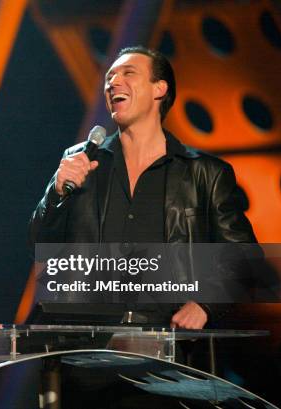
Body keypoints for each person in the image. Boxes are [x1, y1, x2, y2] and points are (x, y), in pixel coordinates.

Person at [29, 46, 257, 330]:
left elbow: (243, 256)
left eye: (128, 73)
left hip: (166, 346)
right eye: (109, 77)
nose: (113, 82)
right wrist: (57, 194)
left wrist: (205, 304)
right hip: (87, 343)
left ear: (159, 89)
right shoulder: (82, 161)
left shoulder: (204, 173)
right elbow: (40, 245)